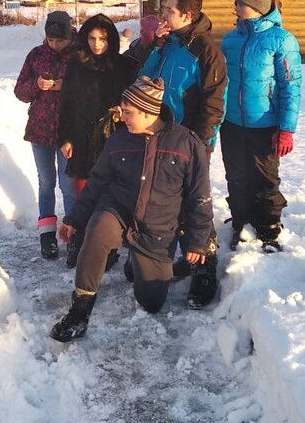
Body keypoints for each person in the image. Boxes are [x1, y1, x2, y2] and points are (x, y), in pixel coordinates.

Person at [49, 77, 214, 342]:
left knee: (151, 301)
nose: (122, 117)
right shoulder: (119, 140)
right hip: (119, 212)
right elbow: (96, 183)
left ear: (148, 112)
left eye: (128, 112)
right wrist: (73, 220)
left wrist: (197, 242)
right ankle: (79, 311)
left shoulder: (187, 144)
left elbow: (199, 197)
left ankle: (139, 262)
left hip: (157, 229)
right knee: (99, 226)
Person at [139, 0, 227, 308]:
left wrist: (200, 143)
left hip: (190, 140)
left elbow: (215, 103)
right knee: (169, 203)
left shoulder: (205, 51)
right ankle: (184, 256)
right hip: (160, 137)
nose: (164, 16)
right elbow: (144, 80)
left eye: (169, 12)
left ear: (187, 15)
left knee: (195, 203)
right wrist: (157, 45)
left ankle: (205, 267)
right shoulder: (169, 45)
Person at [219, 0, 301, 253]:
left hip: (265, 123)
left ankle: (268, 229)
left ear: (257, 7)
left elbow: (291, 85)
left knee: (265, 177)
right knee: (236, 175)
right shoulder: (230, 39)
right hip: (231, 121)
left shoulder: (281, 40)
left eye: (241, 3)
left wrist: (287, 128)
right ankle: (241, 223)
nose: (236, 7)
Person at [57, 13, 138, 267]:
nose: (97, 44)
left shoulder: (124, 66)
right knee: (84, 191)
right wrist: (66, 137)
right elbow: (67, 103)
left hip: (114, 138)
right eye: (91, 38)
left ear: (111, 39)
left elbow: (135, 101)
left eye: (102, 39)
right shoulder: (77, 63)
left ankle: (108, 244)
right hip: (82, 137)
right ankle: (79, 241)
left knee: (112, 192)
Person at [14, 11, 77, 259]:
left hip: (69, 132)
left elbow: (91, 89)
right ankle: (47, 234)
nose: (55, 45)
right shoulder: (36, 55)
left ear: (69, 35)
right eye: (51, 40)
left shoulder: (80, 55)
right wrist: (36, 85)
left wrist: (65, 85)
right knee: (46, 183)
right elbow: (20, 92)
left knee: (69, 184)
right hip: (39, 130)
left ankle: (72, 234)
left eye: (59, 40)